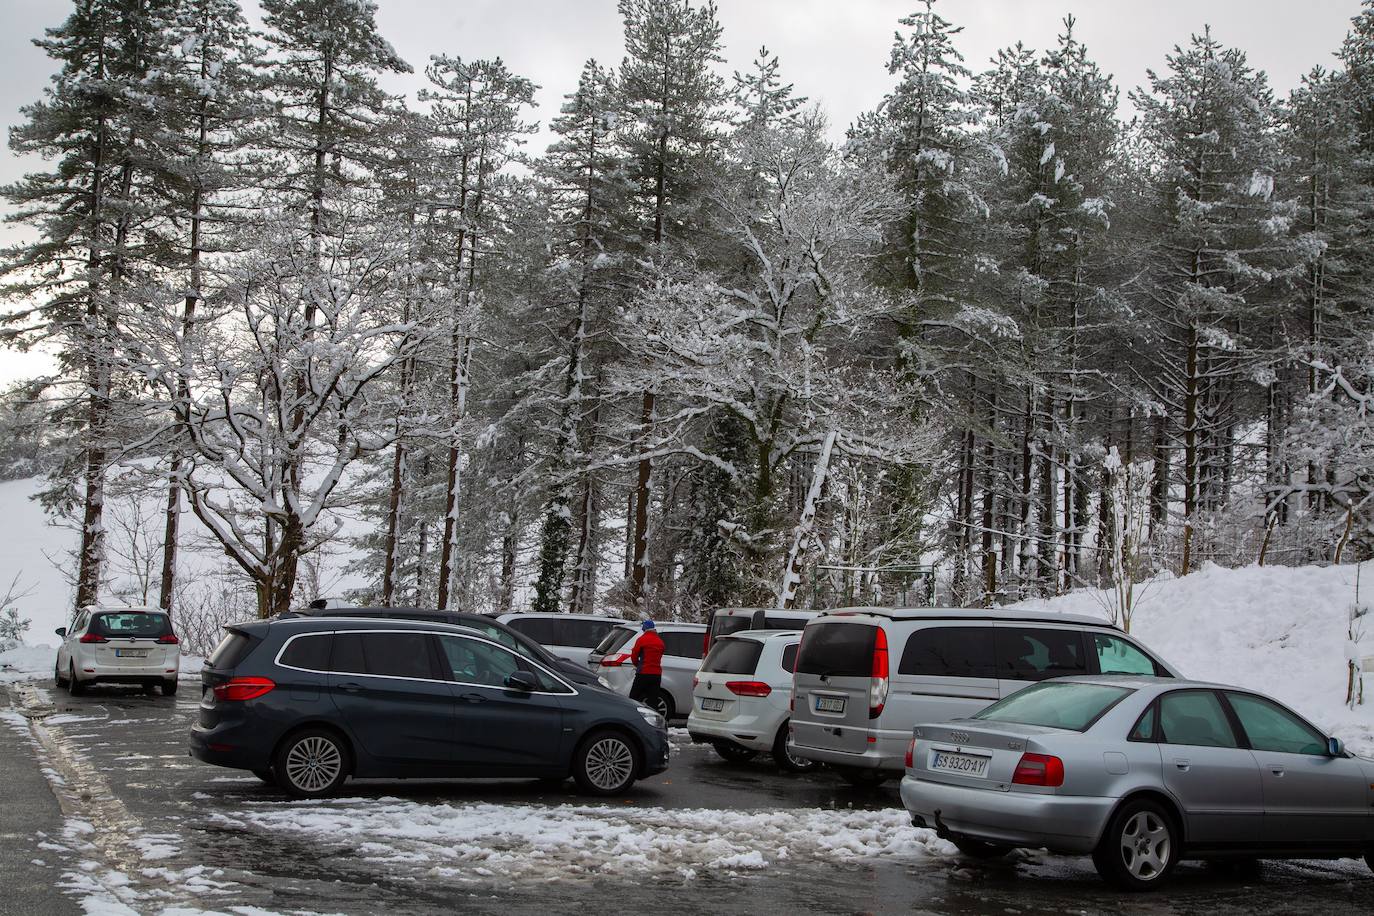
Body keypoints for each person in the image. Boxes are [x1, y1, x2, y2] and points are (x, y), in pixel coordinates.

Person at [628, 619, 665, 705]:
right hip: (656, 675)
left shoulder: (642, 639)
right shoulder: (660, 642)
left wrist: (637, 665)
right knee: (653, 700)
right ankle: (652, 716)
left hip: (643, 673)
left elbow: (634, 656)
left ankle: (633, 716)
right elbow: (660, 655)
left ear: (645, 627)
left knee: (634, 698)